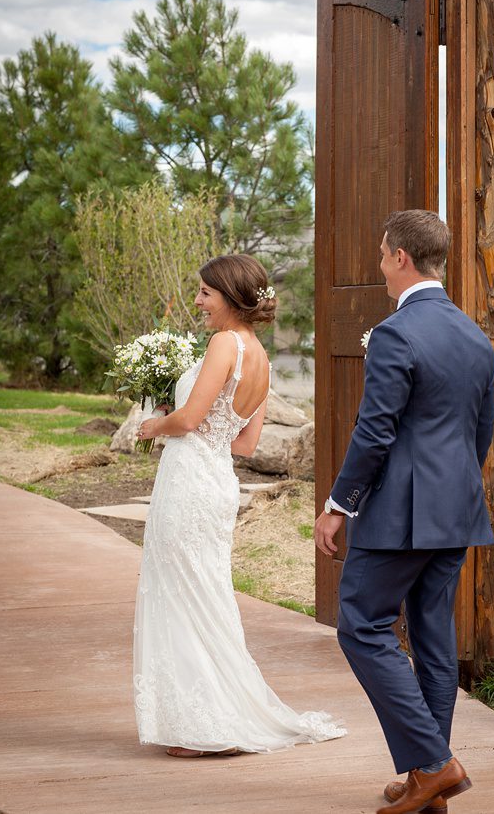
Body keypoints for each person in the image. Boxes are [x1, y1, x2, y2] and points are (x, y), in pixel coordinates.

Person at [314, 210, 494, 814]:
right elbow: (479, 434)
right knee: (434, 640)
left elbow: (375, 432)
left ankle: (436, 765)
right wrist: (452, 494)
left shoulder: (396, 333)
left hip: (399, 514)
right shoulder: (474, 336)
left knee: (362, 626)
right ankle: (427, 781)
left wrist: (339, 504)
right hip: (457, 510)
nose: (380, 265)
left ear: (401, 257)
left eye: (382, 254)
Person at [133, 253, 347, 758]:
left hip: (189, 481)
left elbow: (189, 421)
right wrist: (190, 424)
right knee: (203, 591)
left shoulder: (224, 344)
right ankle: (214, 712)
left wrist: (153, 425)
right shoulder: (262, 359)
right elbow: (246, 443)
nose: (198, 301)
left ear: (230, 297)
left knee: (182, 594)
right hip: (217, 481)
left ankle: (202, 725)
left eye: (205, 292)